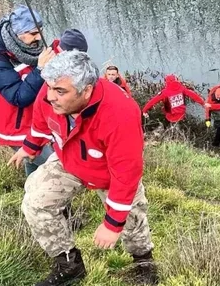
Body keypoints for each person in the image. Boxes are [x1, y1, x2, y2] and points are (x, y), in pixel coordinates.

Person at [10, 51, 157, 286]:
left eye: (60, 92)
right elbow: (40, 121)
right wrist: (30, 146)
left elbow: (126, 173)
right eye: (49, 88)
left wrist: (112, 223)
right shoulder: (51, 91)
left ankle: (143, 263)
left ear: (86, 90)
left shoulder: (120, 114)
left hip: (109, 172)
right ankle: (69, 265)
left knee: (132, 218)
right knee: (36, 201)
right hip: (70, 160)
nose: (50, 97)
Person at [0, 5, 55, 176]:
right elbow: (18, 97)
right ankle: (47, 201)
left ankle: (33, 195)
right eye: (33, 33)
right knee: (54, 167)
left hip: (35, 122)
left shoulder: (28, 49)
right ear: (17, 33)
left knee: (36, 167)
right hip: (17, 129)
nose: (39, 37)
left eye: (41, 31)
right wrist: (40, 69)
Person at [141, 74, 206, 124]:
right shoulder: (182, 88)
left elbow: (153, 101)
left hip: (170, 117)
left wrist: (144, 110)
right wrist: (203, 103)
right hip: (182, 115)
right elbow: (194, 95)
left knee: (163, 108)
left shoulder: (165, 92)